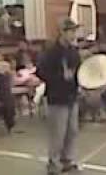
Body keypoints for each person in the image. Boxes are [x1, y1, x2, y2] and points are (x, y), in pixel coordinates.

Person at [37, 18, 81, 175]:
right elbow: (41, 72)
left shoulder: (74, 52)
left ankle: (67, 160)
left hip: (72, 96)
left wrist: (79, 84)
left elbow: (78, 72)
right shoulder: (51, 52)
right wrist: (59, 76)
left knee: (72, 130)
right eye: (71, 31)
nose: (74, 34)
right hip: (57, 97)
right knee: (58, 133)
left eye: (75, 31)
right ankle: (53, 164)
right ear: (62, 32)